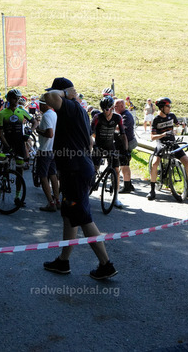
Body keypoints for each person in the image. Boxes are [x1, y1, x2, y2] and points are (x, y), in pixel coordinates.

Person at [42, 77, 118, 280]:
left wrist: (66, 93)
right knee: (69, 216)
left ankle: (106, 265)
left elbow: (48, 97)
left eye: (59, 92)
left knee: (83, 218)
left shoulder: (69, 106)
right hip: (75, 169)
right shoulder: (79, 111)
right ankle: (63, 261)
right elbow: (90, 144)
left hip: (75, 172)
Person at [147, 98, 188, 200]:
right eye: (168, 106)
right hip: (161, 143)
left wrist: (182, 126)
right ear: (161, 107)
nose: (170, 108)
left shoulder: (172, 116)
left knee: (187, 163)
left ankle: (186, 188)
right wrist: (163, 134)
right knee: (155, 163)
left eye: (170, 106)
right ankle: (152, 190)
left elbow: (178, 125)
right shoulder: (156, 119)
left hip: (173, 143)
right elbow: (152, 137)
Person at [0, 89, 34, 205]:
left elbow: (35, 122)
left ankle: (17, 196)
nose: (17, 100)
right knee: (0, 161)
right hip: (7, 144)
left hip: (19, 144)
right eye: (14, 98)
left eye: (18, 98)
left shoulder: (22, 111)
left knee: (19, 170)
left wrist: (30, 132)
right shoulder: (2, 113)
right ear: (9, 99)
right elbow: (1, 133)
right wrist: (7, 146)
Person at [91, 96, 127, 209]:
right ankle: (89, 187)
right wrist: (93, 146)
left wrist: (126, 151)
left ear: (112, 108)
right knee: (93, 169)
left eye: (107, 109)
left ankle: (116, 198)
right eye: (103, 109)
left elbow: (123, 134)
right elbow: (90, 133)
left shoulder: (117, 117)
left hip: (110, 146)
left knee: (116, 171)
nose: (105, 111)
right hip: (98, 145)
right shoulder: (97, 117)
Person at [36, 98, 60, 212]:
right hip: (52, 150)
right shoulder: (54, 114)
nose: (40, 106)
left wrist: (38, 130)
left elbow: (50, 133)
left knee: (43, 176)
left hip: (44, 150)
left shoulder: (46, 116)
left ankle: (51, 203)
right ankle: (57, 200)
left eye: (41, 104)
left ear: (46, 105)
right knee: (53, 175)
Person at [115, 98, 138, 194]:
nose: (114, 108)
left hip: (126, 143)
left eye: (116, 106)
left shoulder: (126, 116)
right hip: (125, 142)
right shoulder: (123, 114)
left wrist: (110, 125)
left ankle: (127, 186)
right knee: (125, 164)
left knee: (124, 165)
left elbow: (120, 128)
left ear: (121, 106)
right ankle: (129, 184)